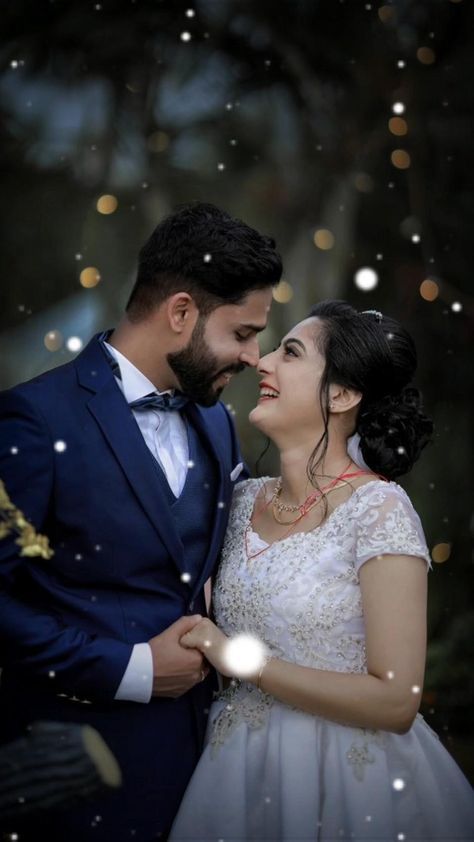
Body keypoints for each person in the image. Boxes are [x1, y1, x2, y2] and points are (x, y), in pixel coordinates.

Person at [0, 202, 282, 841]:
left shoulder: (216, 422)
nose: (254, 355)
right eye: (242, 333)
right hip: (80, 772)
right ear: (180, 312)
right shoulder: (35, 422)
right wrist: (132, 668)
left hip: (209, 770)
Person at [170, 300, 474, 841]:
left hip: (347, 782)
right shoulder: (239, 500)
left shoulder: (379, 510)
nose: (262, 363)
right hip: (235, 774)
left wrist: (241, 660)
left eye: (290, 353)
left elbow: (397, 699)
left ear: (342, 394)